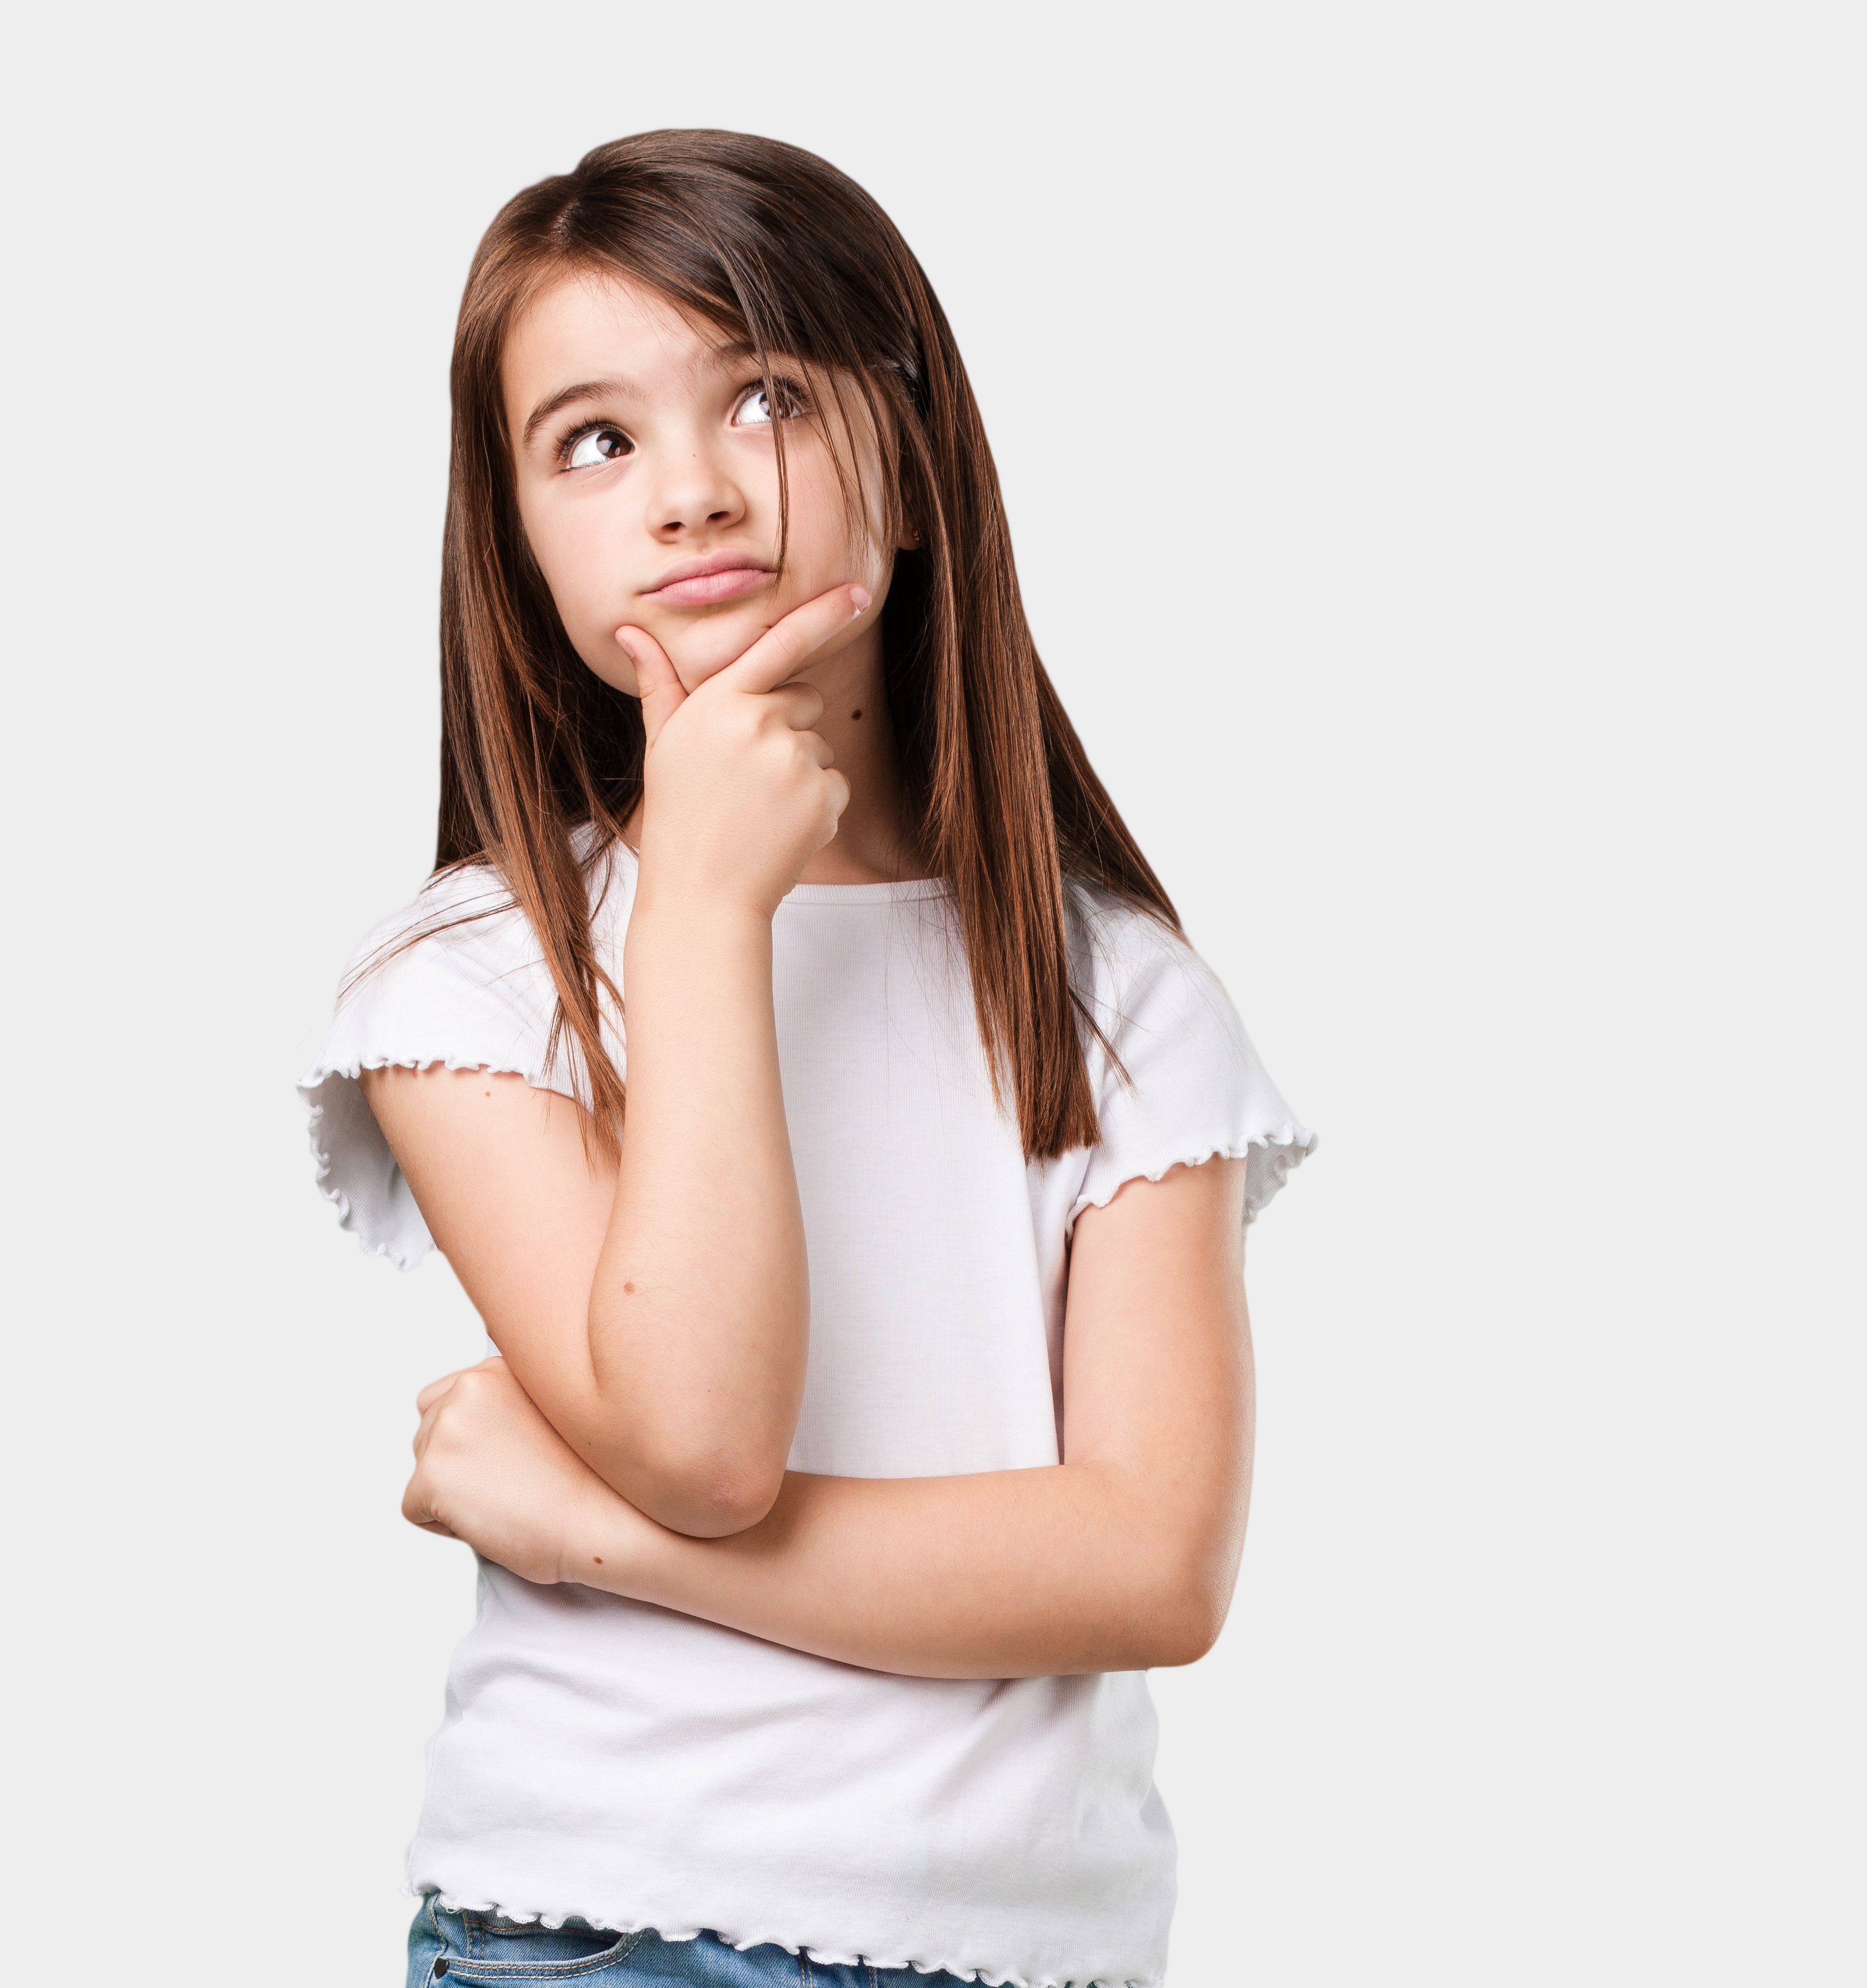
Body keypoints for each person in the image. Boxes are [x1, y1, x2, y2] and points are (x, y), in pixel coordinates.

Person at [299, 129, 1311, 1988]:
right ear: (519, 549)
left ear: (910, 466)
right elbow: (700, 1439)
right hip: (604, 1936)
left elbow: (1152, 1567)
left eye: (762, 393)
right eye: (592, 440)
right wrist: (697, 907)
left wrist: (592, 1536)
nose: (687, 490)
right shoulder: (466, 978)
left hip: (1031, 1953)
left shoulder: (1120, 993)